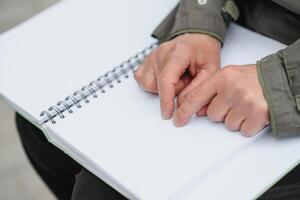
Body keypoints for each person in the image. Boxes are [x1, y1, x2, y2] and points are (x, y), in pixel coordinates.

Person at [15, 0, 300, 199]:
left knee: (104, 192)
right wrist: (200, 23)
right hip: (251, 21)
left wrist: (285, 82)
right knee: (39, 132)